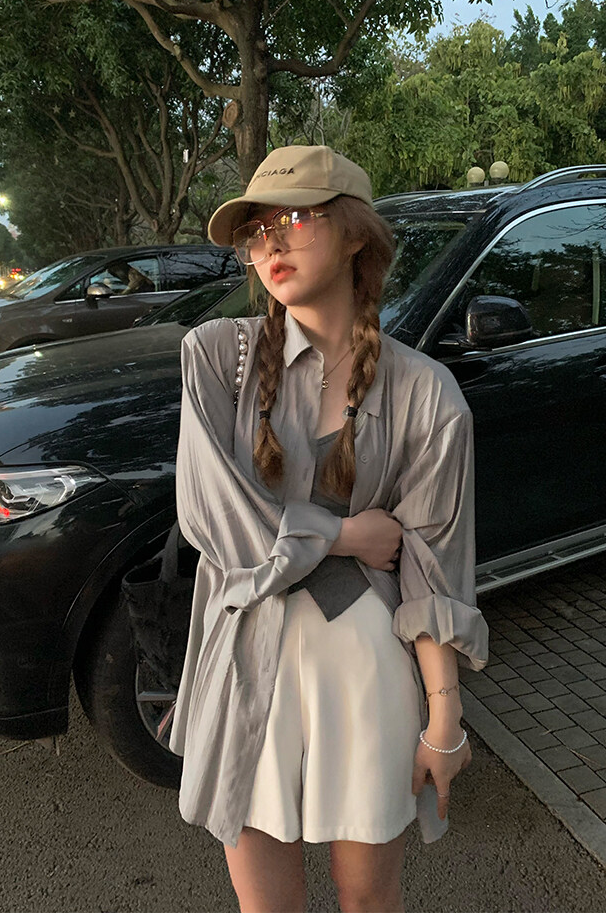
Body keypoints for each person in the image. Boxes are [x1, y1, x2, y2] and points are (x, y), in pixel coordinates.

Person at [170, 145, 489, 913]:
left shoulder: (426, 392)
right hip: (247, 663)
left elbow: (434, 566)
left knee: (368, 900)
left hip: (364, 674)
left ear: (353, 235)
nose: (270, 243)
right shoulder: (215, 359)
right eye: (255, 231)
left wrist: (444, 718)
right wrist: (345, 537)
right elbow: (216, 520)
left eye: (293, 218)